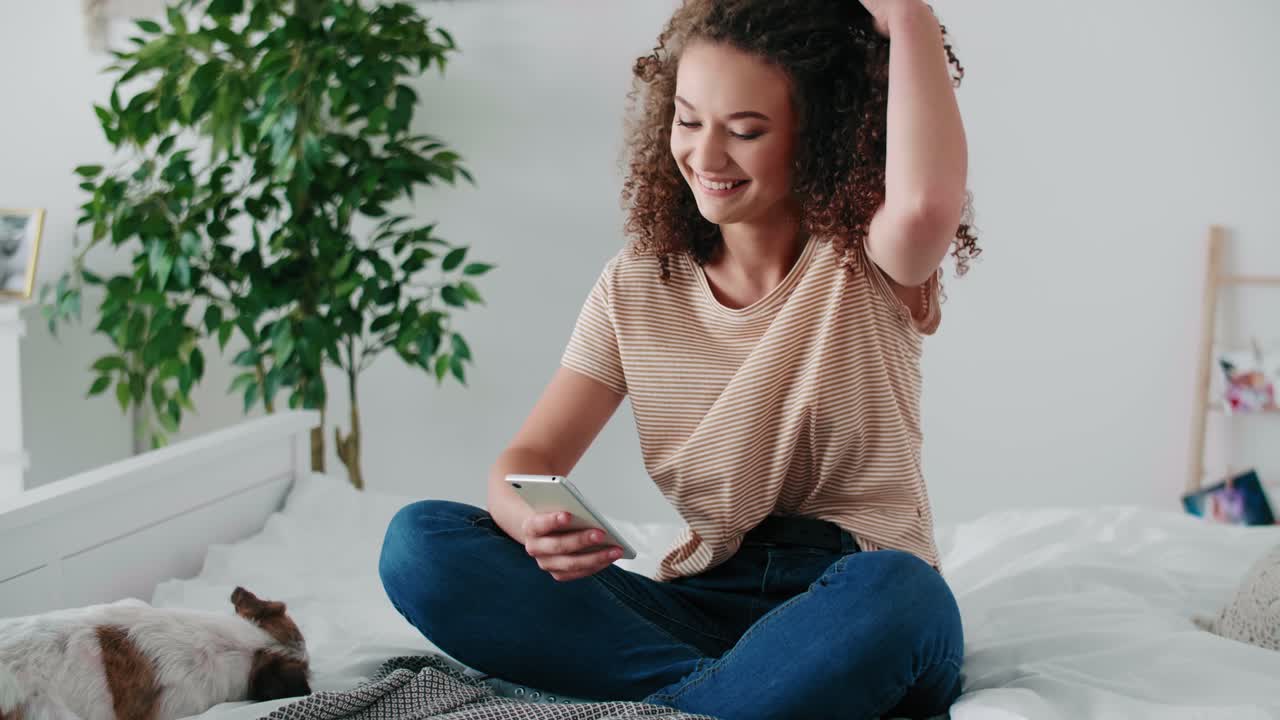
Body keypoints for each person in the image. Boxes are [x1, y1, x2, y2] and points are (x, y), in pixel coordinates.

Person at [378, 0, 979, 717]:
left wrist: (909, 16)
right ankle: (729, 697)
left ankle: (723, 696)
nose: (705, 155)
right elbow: (530, 458)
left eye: (746, 131)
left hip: (852, 598)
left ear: (818, 136)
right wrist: (529, 515)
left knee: (901, 594)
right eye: (688, 120)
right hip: (699, 608)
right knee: (422, 544)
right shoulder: (637, 284)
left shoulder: (866, 259)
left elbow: (922, 207)